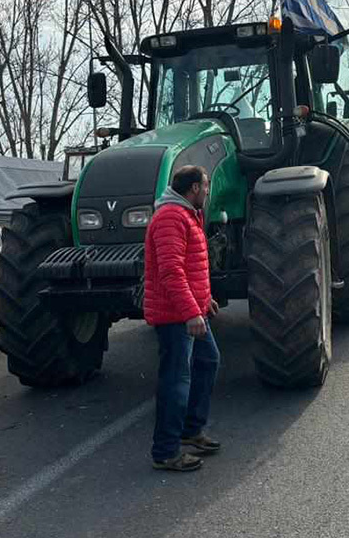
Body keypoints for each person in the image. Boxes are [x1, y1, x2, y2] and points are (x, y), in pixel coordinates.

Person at [143, 165, 221, 472]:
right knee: (176, 380)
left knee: (208, 361)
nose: (207, 191)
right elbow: (171, 271)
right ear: (193, 189)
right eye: (205, 186)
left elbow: (192, 266)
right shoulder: (171, 218)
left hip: (191, 308)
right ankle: (165, 451)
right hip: (175, 314)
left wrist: (205, 300)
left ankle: (190, 430)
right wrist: (191, 311)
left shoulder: (187, 214)